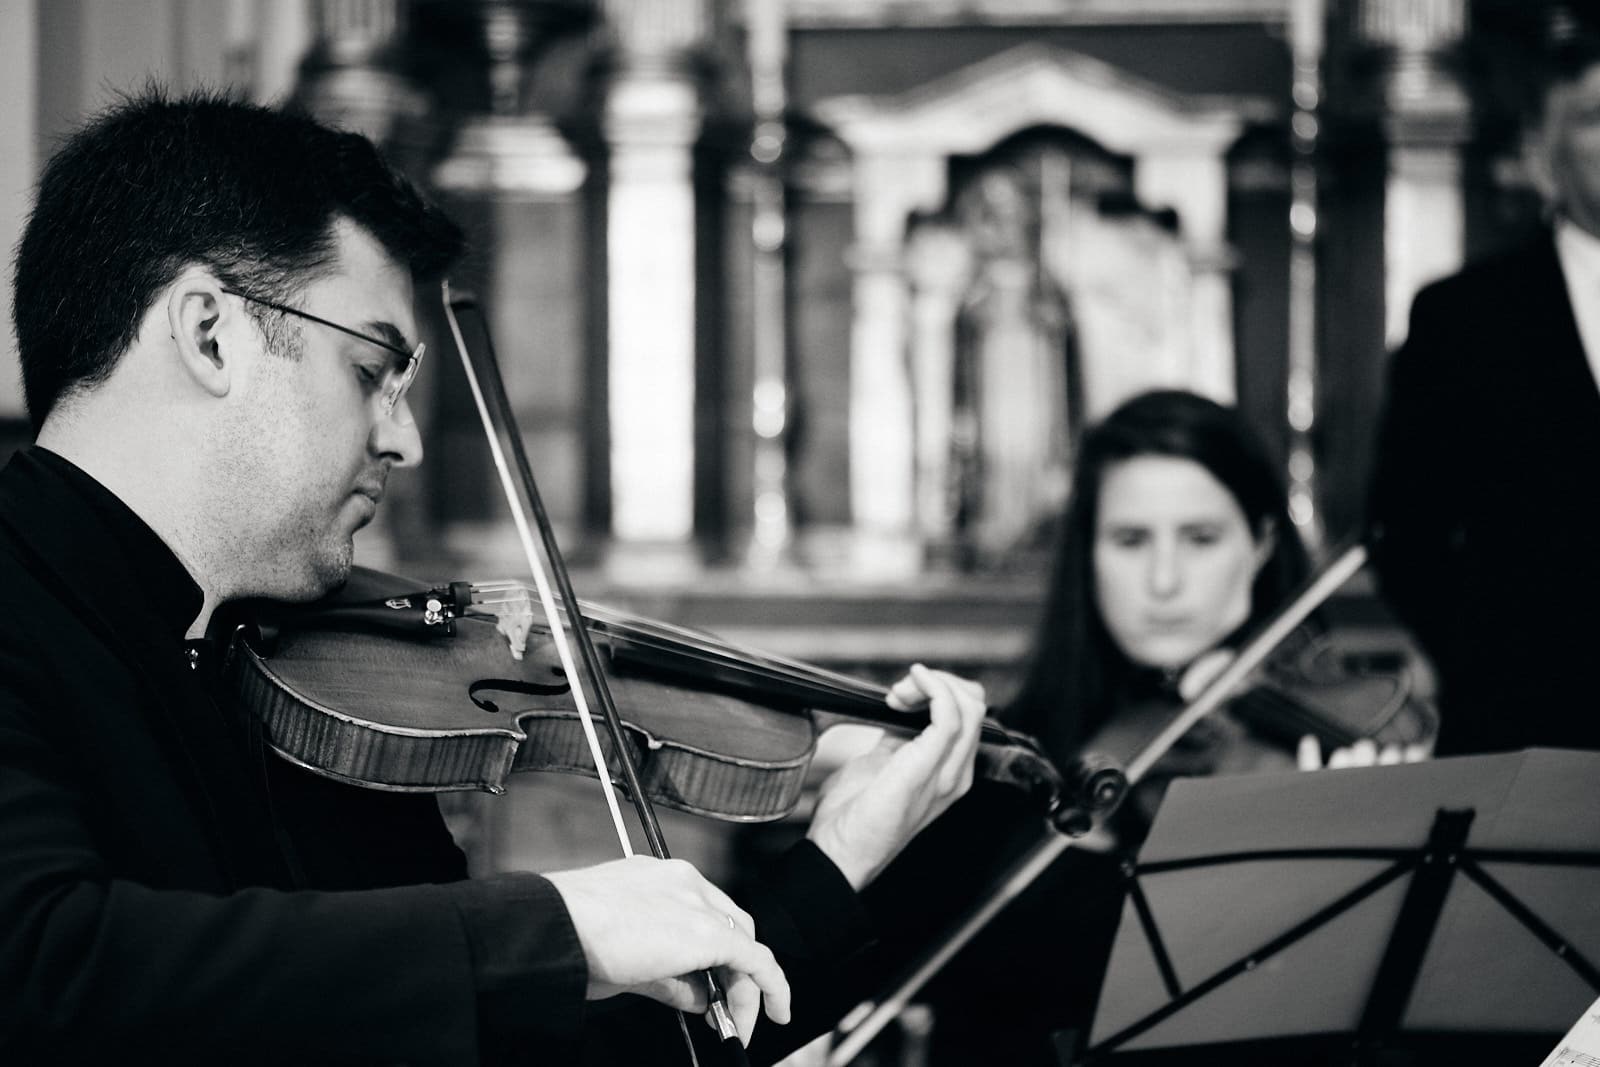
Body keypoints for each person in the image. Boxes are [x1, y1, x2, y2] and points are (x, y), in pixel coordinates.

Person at [0, 88, 993, 1065]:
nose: (405, 438)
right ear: (210, 331)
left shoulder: (324, 683)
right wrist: (552, 923)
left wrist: (837, 863)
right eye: (370, 372)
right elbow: (47, 973)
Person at [843, 390, 1434, 1066]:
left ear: (1264, 544)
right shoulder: (1004, 760)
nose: (1164, 579)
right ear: (1087, 554)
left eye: (1201, 538)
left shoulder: (1325, 746)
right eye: (1130, 539)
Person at [1368, 9, 1600, 756]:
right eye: (1598, 118)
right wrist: (1493, 660)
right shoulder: (1463, 319)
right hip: (1529, 729)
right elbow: (1403, 531)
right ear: (1540, 150)